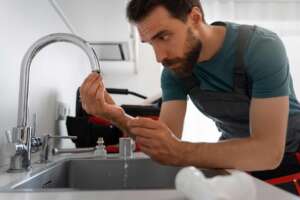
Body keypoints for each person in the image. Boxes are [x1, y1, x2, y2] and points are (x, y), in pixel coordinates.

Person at [79, 0, 300, 194]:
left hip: (291, 156)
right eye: (151, 44)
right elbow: (165, 141)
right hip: (238, 159)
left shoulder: (261, 48)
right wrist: (115, 115)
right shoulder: (174, 70)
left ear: (194, 18)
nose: (159, 57)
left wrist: (180, 151)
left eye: (164, 36)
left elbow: (268, 152)